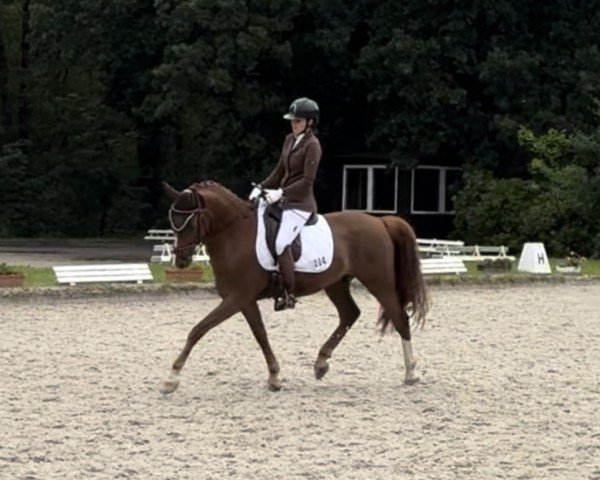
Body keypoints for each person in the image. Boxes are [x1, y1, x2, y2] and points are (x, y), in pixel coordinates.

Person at [249, 97, 322, 310]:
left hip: (300, 204)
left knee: (281, 243)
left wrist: (281, 193)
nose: (294, 124)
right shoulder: (290, 139)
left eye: (298, 121)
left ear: (309, 122)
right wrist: (261, 187)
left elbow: (307, 181)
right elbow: (280, 170)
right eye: (292, 120)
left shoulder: (313, 145)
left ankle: (289, 293)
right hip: (283, 199)